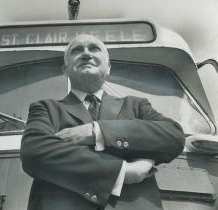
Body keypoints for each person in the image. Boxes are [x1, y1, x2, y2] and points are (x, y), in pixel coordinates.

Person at [20, 34, 185, 210]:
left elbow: (174, 135)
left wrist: (97, 132)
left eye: (94, 48)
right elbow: (34, 151)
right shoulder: (45, 108)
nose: (86, 54)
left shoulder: (136, 105)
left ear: (108, 68)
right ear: (65, 69)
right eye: (77, 50)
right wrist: (124, 172)